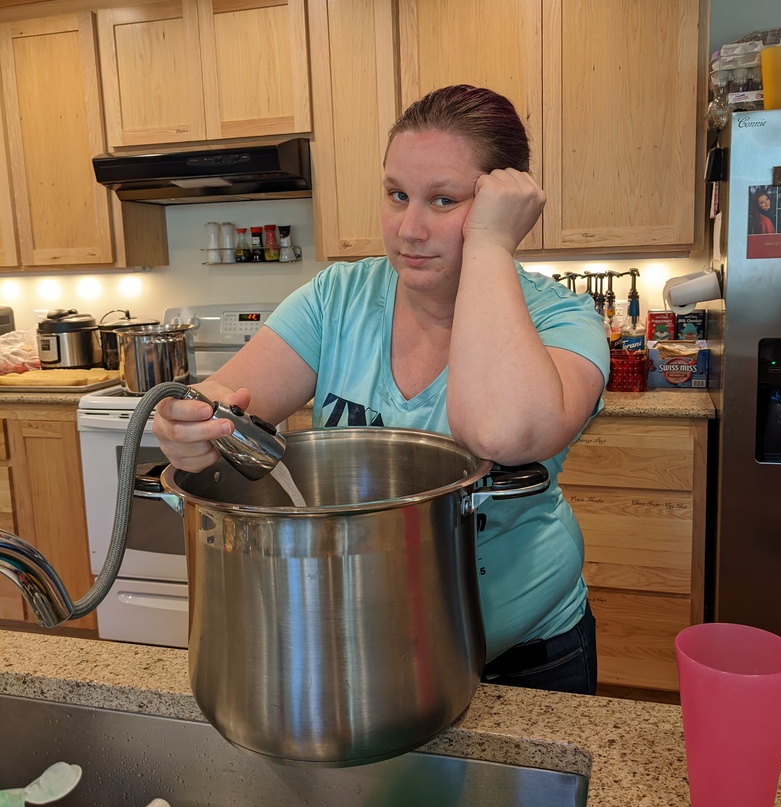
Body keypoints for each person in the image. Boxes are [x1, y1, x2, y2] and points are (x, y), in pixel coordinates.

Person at [152, 84, 610, 694]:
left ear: (506, 202)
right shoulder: (337, 298)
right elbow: (225, 398)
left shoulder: (562, 320)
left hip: (527, 661)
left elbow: (502, 432)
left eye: (443, 201)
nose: (408, 229)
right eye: (397, 195)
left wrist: (493, 248)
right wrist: (192, 431)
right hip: (362, 653)